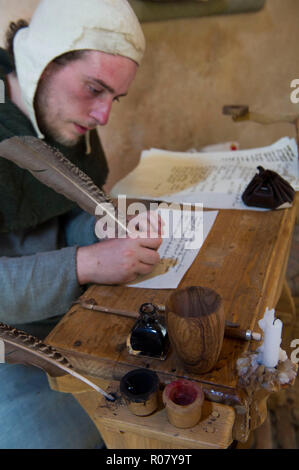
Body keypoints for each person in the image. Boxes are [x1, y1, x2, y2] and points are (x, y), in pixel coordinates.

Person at [0, 0, 162, 449]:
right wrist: (85, 263)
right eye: (94, 89)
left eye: (114, 97)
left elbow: (62, 216)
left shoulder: (57, 114)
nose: (103, 116)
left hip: (59, 317)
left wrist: (100, 229)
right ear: (45, 61)